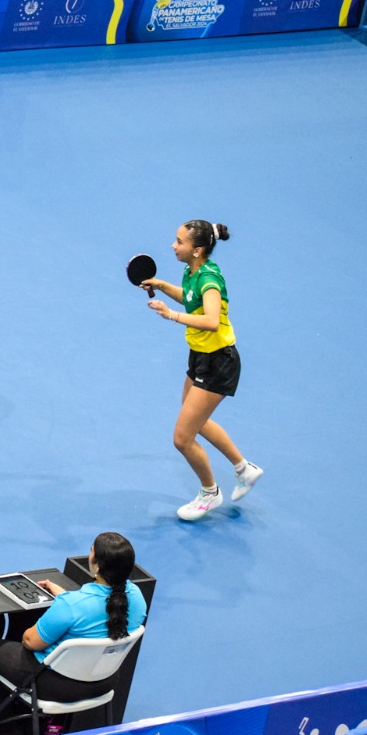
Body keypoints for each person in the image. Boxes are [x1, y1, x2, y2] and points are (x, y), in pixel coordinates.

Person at [0, 532, 148, 735]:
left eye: (91, 551)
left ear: (97, 566)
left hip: (56, 684)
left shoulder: (72, 606)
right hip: (104, 679)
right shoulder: (137, 597)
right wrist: (65, 598)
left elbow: (30, 642)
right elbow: (96, 611)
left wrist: (65, 604)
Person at [137, 220, 263, 522]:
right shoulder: (192, 271)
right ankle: (244, 468)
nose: (173, 245)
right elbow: (190, 299)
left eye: (179, 242)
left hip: (219, 362)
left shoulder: (209, 279)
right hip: (200, 356)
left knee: (182, 438)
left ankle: (210, 492)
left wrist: (171, 315)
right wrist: (162, 286)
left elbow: (211, 321)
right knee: (195, 419)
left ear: (197, 250)